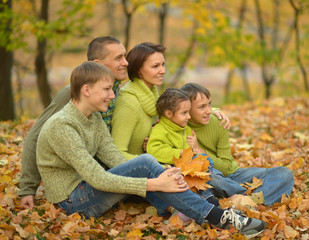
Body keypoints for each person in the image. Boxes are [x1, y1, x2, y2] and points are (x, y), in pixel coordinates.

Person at [36, 61, 266, 238]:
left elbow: (115, 159)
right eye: (106, 89)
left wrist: (160, 171)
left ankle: (200, 207)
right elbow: (97, 179)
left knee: (149, 164)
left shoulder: (93, 118)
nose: (112, 95)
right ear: (86, 90)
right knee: (147, 164)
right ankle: (217, 215)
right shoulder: (62, 126)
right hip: (72, 201)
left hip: (90, 188)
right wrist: (155, 182)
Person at [18, 36, 129, 209]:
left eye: (125, 56)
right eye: (118, 58)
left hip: (104, 167)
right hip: (80, 180)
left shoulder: (116, 93)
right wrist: (27, 189)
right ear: (97, 63)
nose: (126, 62)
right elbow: (35, 136)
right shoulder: (72, 95)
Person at [181, 83, 294, 206]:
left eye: (210, 104)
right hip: (211, 177)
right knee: (213, 179)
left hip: (234, 174)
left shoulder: (220, 122)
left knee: (284, 173)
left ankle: (248, 202)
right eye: (202, 107)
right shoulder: (179, 127)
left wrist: (201, 151)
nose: (208, 111)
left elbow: (226, 167)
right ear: (187, 109)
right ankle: (248, 199)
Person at [111, 42, 229, 160]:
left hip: (163, 161)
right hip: (143, 168)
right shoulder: (128, 103)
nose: (163, 70)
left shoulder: (152, 97)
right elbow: (117, 154)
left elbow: (178, 108)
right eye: (155, 66)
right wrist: (151, 163)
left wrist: (211, 110)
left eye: (163, 64)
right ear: (138, 70)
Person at [147, 88, 219, 207]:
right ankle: (201, 196)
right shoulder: (160, 130)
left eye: (189, 112)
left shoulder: (185, 129)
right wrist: (180, 152)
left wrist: (193, 151)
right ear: (169, 114)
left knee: (206, 160)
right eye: (184, 113)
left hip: (186, 167)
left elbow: (190, 151)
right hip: (170, 168)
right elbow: (154, 150)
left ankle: (204, 194)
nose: (189, 117)